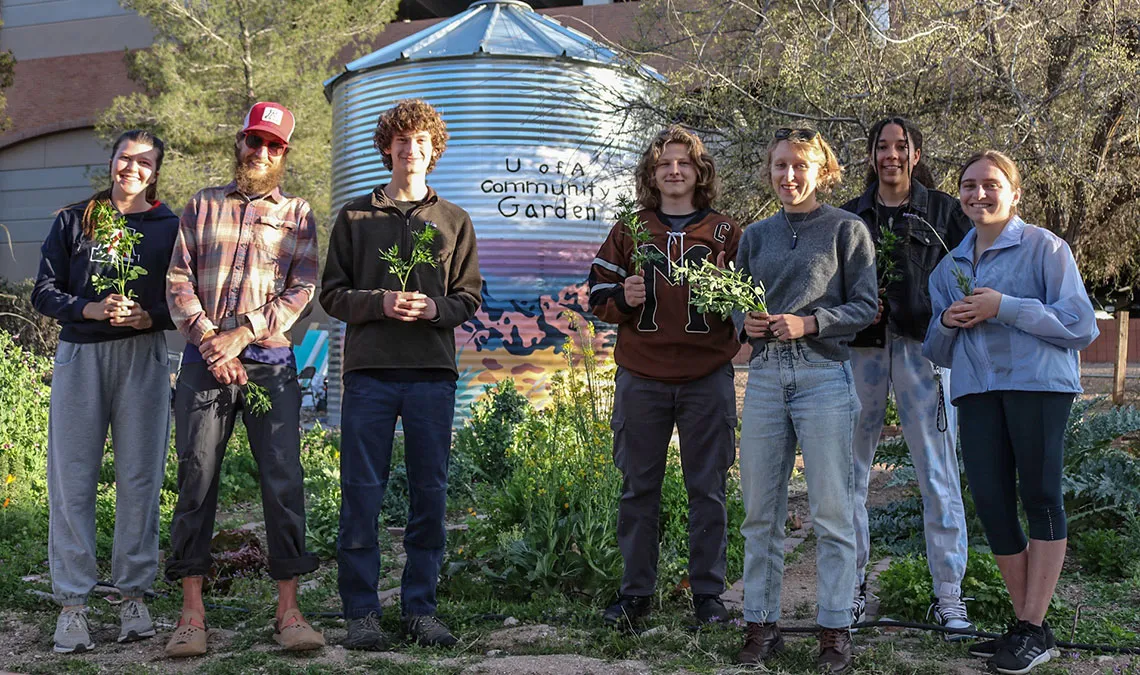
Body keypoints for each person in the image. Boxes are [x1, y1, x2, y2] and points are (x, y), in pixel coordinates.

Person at [924, 150, 1098, 674]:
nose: (979, 194)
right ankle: (1030, 628)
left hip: (1038, 387)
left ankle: (1030, 626)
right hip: (976, 392)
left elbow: (1081, 324)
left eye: (991, 184)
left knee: (1040, 495)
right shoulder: (948, 267)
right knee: (993, 503)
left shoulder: (1047, 248)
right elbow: (935, 349)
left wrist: (1005, 307)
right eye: (969, 186)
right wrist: (949, 324)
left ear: (1014, 192)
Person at [321, 99, 482, 650]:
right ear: (386, 147)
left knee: (429, 494)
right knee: (361, 493)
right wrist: (379, 302)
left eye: (420, 141)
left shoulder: (455, 221)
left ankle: (419, 609)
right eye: (401, 140)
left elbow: (469, 298)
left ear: (433, 150)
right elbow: (332, 296)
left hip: (431, 375)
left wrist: (434, 310)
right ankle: (362, 613)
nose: (410, 149)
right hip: (368, 375)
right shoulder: (354, 217)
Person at [164, 102, 324, 657]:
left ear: (285, 154)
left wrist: (244, 333)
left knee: (283, 480)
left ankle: (289, 611)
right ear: (240, 144)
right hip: (204, 361)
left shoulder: (299, 214)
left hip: (270, 365)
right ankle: (191, 614)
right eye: (254, 141)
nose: (261, 153)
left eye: (273, 146)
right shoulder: (202, 206)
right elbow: (179, 277)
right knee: (196, 476)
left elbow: (303, 289)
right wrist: (213, 339)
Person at [734, 127, 877, 673]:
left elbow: (865, 306)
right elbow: (735, 299)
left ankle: (836, 630)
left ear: (822, 171)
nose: (788, 176)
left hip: (824, 377)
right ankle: (761, 625)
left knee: (833, 511)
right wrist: (741, 321)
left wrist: (812, 321)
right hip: (766, 377)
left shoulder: (847, 230)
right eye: (779, 166)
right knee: (760, 511)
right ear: (769, 171)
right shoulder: (756, 236)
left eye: (799, 166)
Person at [588, 125, 742, 628]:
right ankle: (636, 593)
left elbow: (751, 304)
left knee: (709, 488)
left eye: (684, 163)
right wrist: (621, 299)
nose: (674, 171)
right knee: (638, 488)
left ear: (700, 172)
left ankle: (707, 594)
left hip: (706, 376)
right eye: (664, 164)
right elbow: (594, 296)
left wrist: (728, 293)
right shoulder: (630, 228)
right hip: (643, 375)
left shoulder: (726, 231)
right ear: (651, 175)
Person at [31, 130, 179, 654]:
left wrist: (149, 316)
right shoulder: (76, 219)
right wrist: (89, 308)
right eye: (124, 158)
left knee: (141, 474)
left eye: (144, 162)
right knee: (73, 476)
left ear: (155, 171)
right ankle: (72, 604)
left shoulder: (169, 227)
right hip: (81, 356)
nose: (132, 168)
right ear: (111, 162)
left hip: (144, 358)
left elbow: (183, 299)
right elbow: (43, 291)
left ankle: (133, 595)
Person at [840, 117, 974, 636]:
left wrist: (947, 313)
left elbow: (972, 273)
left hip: (926, 352)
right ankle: (849, 588)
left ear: (916, 154)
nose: (891, 155)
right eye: (882, 147)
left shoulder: (944, 212)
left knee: (937, 472)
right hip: (861, 353)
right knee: (850, 472)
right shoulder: (850, 217)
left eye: (901, 147)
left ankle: (949, 596)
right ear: (871, 155)